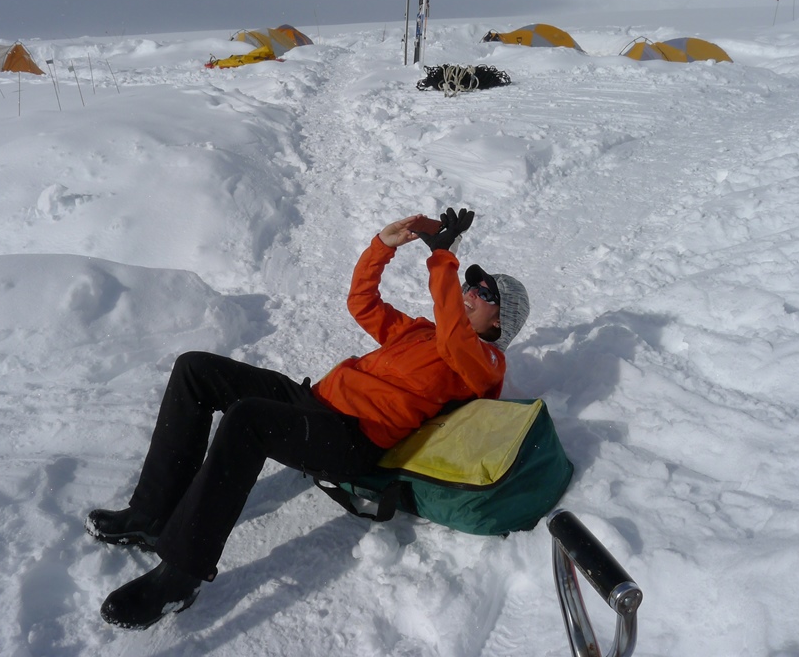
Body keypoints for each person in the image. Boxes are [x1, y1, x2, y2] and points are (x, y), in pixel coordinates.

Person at [86, 207, 530, 629]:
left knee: (248, 420)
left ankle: (180, 575)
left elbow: (454, 339)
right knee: (196, 370)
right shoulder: (422, 332)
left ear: (500, 323)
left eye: (484, 293)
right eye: (470, 285)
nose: (470, 293)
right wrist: (383, 244)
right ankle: (150, 514)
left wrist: (442, 259)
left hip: (353, 439)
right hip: (315, 403)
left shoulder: (484, 363)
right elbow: (363, 303)